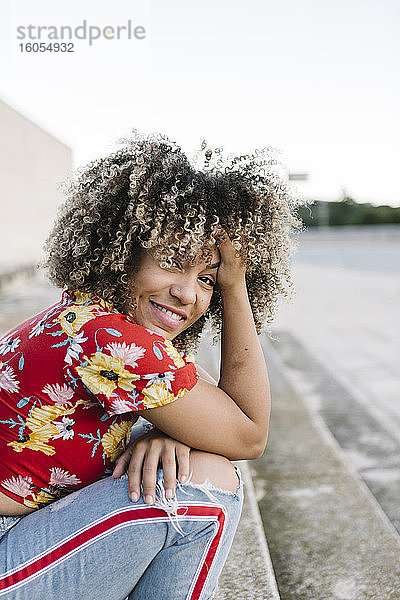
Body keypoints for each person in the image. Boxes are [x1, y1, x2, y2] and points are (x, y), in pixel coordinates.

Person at [0, 133, 301, 599]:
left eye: (208, 279)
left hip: (19, 534)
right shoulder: (111, 339)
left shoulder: (86, 315)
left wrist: (165, 429)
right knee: (208, 490)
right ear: (120, 252)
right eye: (171, 262)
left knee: (193, 464)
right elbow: (248, 434)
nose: (188, 293)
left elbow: (211, 412)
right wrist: (237, 288)